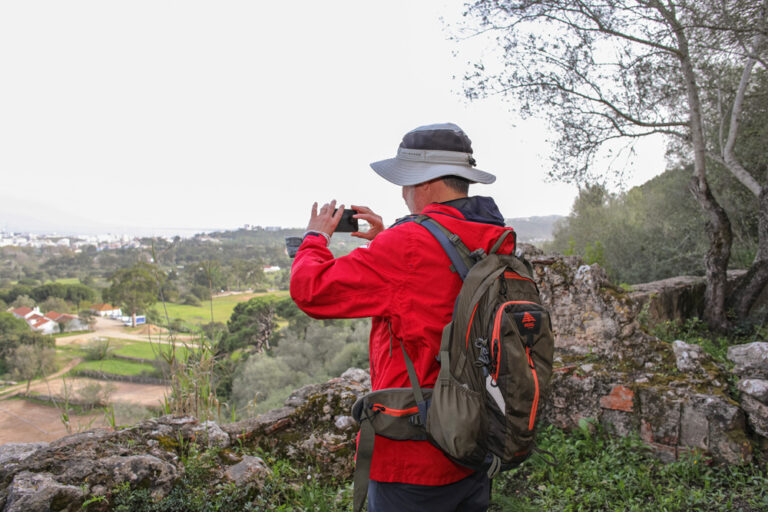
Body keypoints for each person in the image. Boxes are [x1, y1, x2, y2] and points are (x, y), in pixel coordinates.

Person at [290, 123, 516, 512]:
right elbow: (439, 290)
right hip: (473, 436)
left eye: (405, 182)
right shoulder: (493, 233)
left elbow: (312, 290)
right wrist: (387, 242)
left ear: (423, 183)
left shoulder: (408, 243)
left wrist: (315, 238)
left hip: (414, 457)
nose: (403, 192)